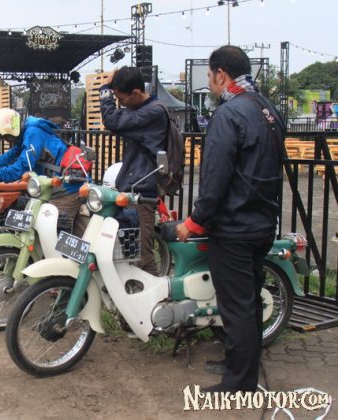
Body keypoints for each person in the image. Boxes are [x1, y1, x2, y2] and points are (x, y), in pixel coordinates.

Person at [175, 46, 284, 392]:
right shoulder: (266, 108)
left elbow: (215, 177)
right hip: (262, 222)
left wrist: (195, 220)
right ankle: (239, 364)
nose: (210, 83)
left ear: (221, 74)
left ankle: (239, 382)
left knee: (236, 306)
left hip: (234, 227)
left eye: (210, 76)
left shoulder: (228, 113)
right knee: (248, 301)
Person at [99, 66, 168, 275]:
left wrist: (105, 89)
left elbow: (111, 120)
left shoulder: (153, 112)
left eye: (121, 99)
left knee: (143, 257)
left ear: (136, 93)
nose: (120, 104)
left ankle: (155, 293)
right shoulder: (140, 110)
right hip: (131, 189)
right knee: (128, 253)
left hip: (143, 194)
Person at [0, 108, 86, 235]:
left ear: (11, 131)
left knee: (50, 231)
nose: (7, 141)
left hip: (67, 188)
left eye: (6, 137)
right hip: (51, 187)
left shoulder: (33, 133)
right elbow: (9, 156)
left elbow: (23, 166)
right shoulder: (26, 134)